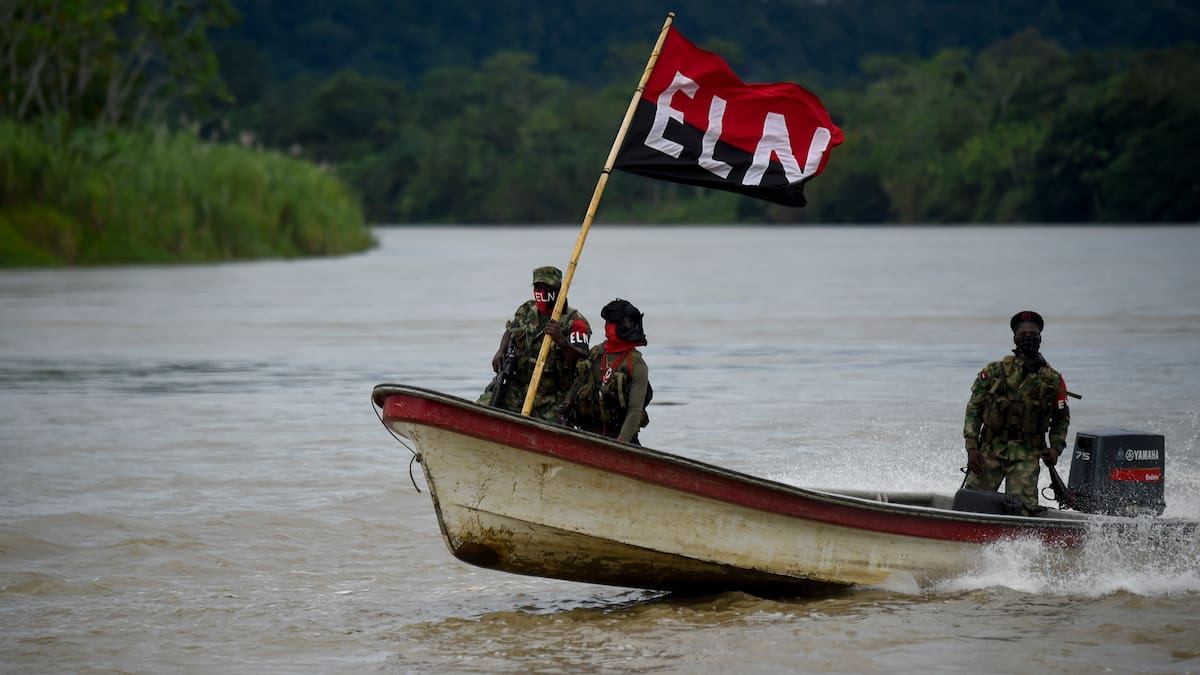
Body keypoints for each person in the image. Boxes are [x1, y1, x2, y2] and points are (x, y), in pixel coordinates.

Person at [962, 310, 1070, 515]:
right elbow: (974, 410)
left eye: (1032, 335)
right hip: (990, 450)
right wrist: (972, 448)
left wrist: (1056, 448)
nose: (1028, 338)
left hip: (1027, 453)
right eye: (1023, 335)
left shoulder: (1053, 379)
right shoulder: (993, 372)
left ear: (1040, 339)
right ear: (1014, 339)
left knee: (1022, 510)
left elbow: (1061, 418)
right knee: (972, 504)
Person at [480, 266, 591, 421]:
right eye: (538, 287)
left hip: (551, 398)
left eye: (548, 287)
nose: (542, 291)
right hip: (517, 388)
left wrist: (560, 340)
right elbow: (511, 331)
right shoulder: (527, 309)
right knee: (484, 406)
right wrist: (501, 350)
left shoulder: (575, 322)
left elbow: (581, 359)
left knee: (548, 426)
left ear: (560, 289)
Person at [562, 298, 652, 444]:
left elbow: (634, 411)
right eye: (607, 322)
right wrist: (565, 407)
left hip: (620, 438)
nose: (608, 326)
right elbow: (576, 386)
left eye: (612, 323)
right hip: (588, 434)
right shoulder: (596, 354)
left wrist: (620, 443)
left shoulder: (637, 366)